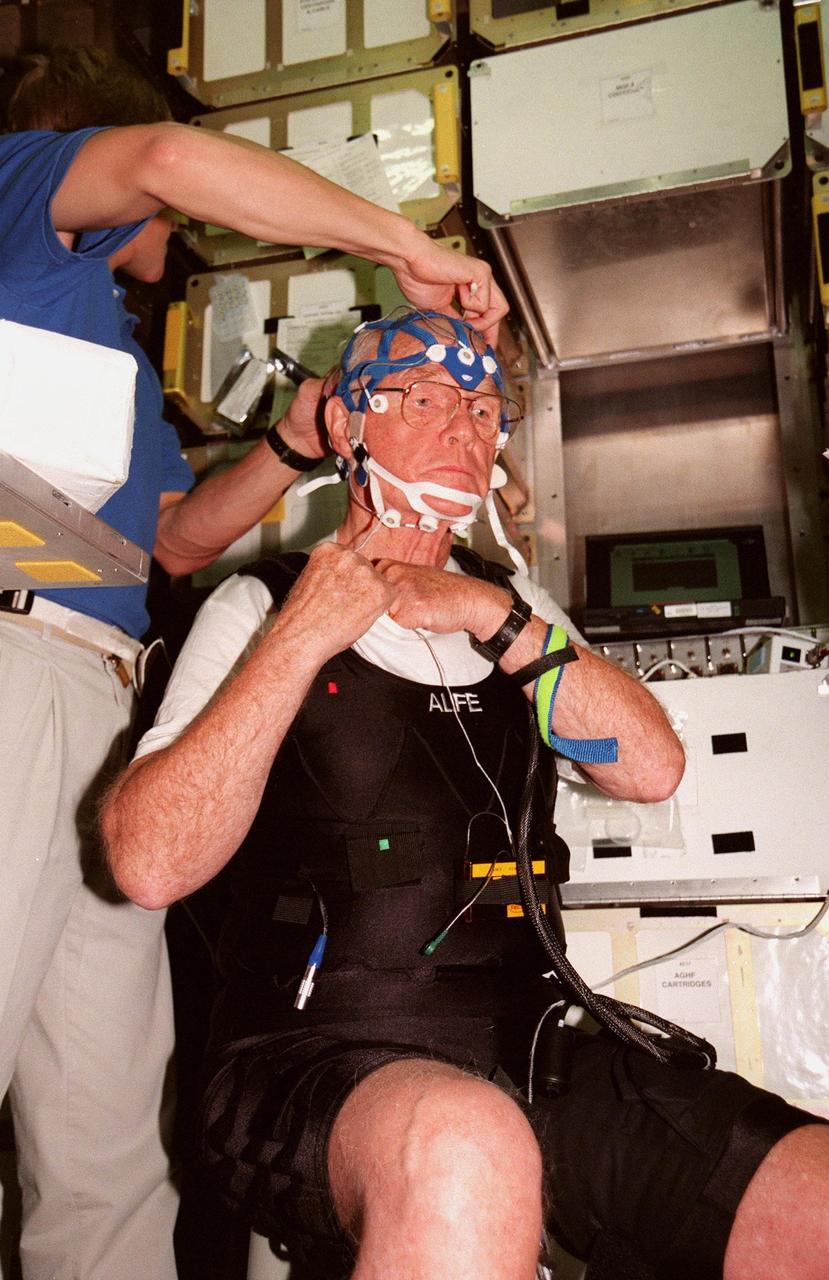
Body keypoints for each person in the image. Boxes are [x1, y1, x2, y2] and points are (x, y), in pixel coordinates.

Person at [101, 307, 829, 1280]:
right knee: (465, 1146)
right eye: (426, 398)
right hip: (307, 1063)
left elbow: (649, 767)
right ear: (347, 425)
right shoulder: (256, 604)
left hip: (533, 1050)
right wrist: (301, 634)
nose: (464, 426)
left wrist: (492, 609)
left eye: (485, 409)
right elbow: (148, 862)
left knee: (810, 1195)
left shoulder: (512, 612)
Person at [0, 47, 508, 1280]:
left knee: (107, 1137)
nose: (172, 223)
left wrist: (294, 438)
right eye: (153, 206)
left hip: (102, 703)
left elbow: (169, 542)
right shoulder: (14, 200)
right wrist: (409, 246)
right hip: (13, 661)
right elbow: (171, 156)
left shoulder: (107, 353)